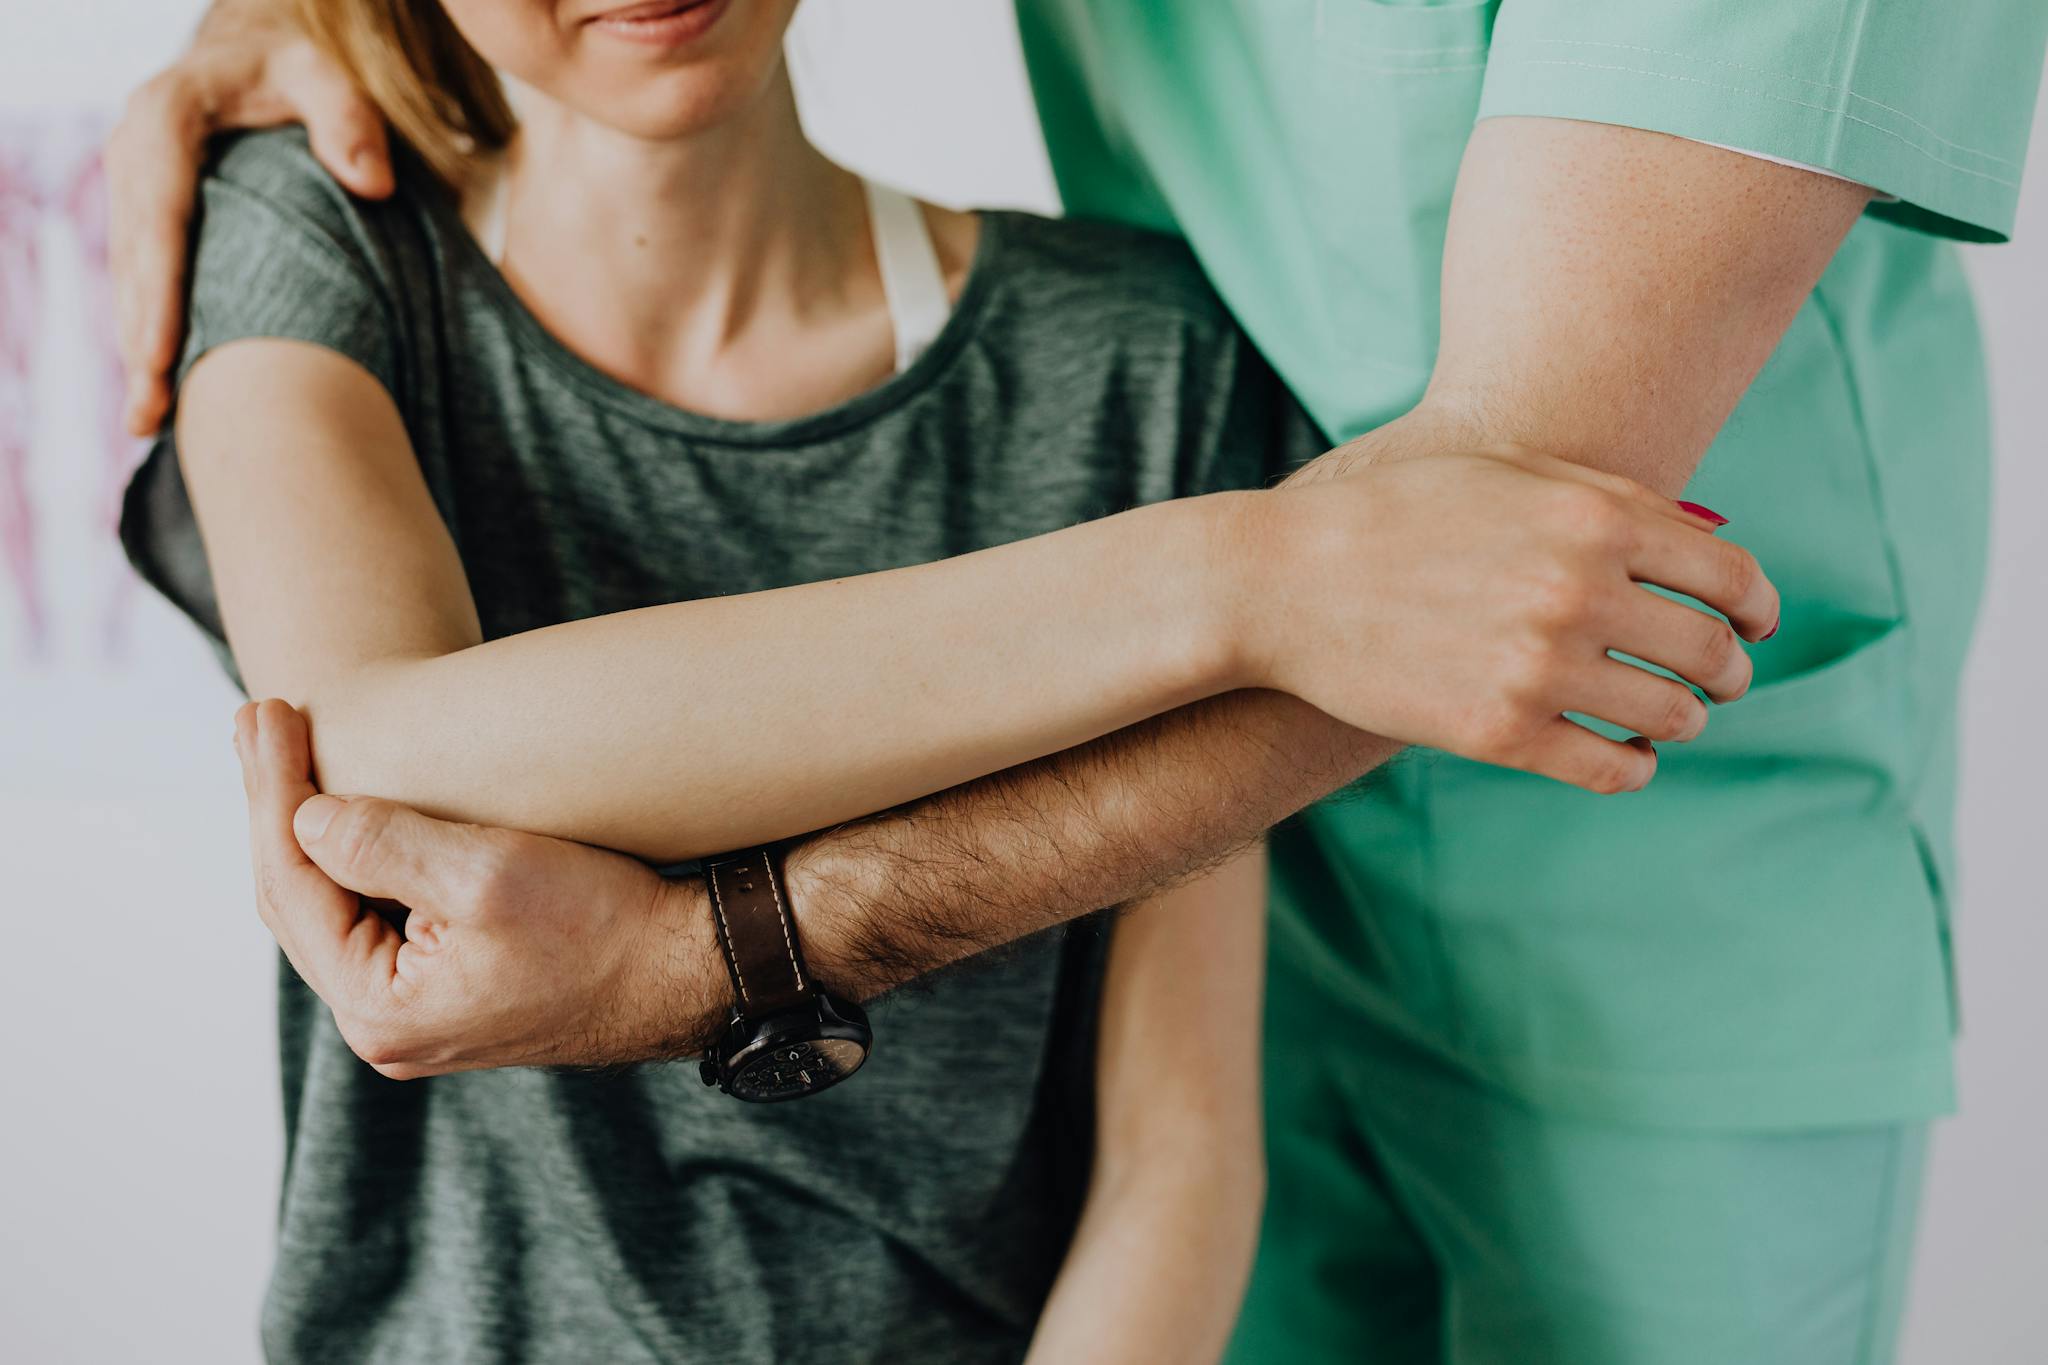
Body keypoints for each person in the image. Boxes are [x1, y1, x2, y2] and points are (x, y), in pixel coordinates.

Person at [114, 2, 1770, 1363]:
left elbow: (1176, 1157)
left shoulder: (1143, 355)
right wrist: (1245, 579)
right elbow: (389, 756)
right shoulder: (318, 229)